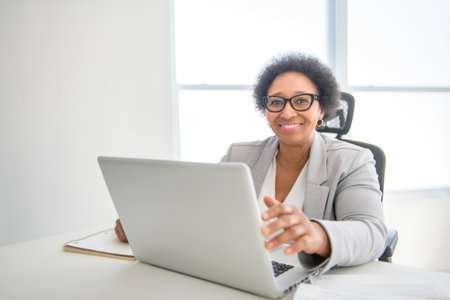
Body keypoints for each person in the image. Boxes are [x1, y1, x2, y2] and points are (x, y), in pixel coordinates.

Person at [115, 52, 387, 274]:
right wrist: (146, 225)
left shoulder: (353, 160)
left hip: (312, 281)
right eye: (276, 102)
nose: (287, 112)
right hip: (244, 272)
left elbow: (371, 232)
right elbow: (202, 212)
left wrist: (317, 234)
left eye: (302, 101)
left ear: (322, 111)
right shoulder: (239, 155)